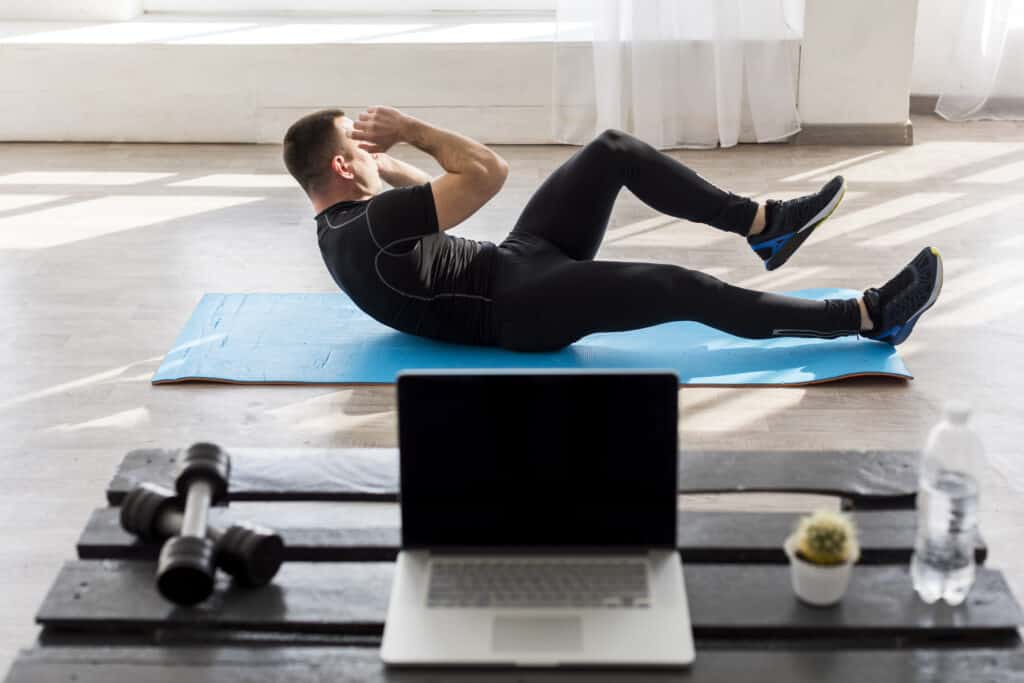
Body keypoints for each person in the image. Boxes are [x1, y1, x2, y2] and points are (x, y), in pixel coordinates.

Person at [282, 106, 942, 352]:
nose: (374, 148)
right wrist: (415, 132)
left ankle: (762, 225)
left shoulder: (343, 228)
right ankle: (865, 317)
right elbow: (486, 171)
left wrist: (385, 165)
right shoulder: (369, 225)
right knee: (679, 285)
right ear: (343, 165)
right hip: (517, 308)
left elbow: (410, 228)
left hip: (515, 262)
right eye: (360, 145)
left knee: (613, 149)